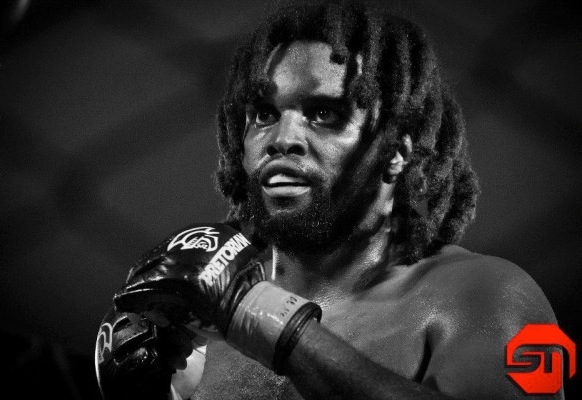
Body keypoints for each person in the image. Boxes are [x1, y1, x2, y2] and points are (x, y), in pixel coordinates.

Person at [95, 2, 563, 399]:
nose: (283, 138)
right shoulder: (198, 327)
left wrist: (274, 325)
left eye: (324, 113)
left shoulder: (484, 296)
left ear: (396, 152)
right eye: (264, 114)